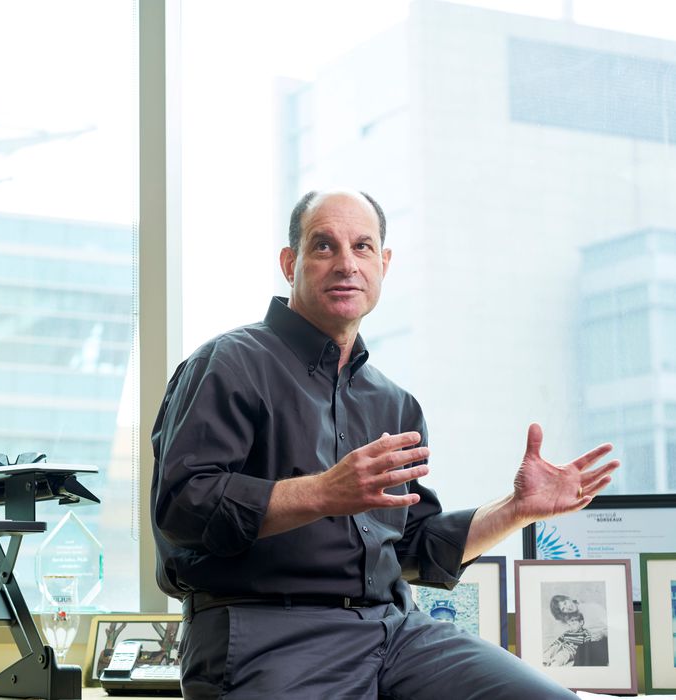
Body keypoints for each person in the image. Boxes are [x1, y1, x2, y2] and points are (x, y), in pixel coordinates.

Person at [150, 189, 620, 699]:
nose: (346, 264)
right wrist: (323, 493)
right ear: (289, 263)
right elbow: (182, 508)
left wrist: (516, 510)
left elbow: (413, 548)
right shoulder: (227, 363)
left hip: (396, 633)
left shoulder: (394, 403)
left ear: (384, 263)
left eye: (363, 246)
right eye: (324, 246)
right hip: (269, 634)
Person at [544, 595, 609, 667]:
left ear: (569, 599)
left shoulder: (592, 607)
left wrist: (602, 634)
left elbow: (610, 626)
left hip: (603, 640)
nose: (568, 607)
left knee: (583, 653)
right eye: (563, 609)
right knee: (567, 653)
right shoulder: (572, 618)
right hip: (586, 644)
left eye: (565, 603)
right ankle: (548, 660)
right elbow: (563, 636)